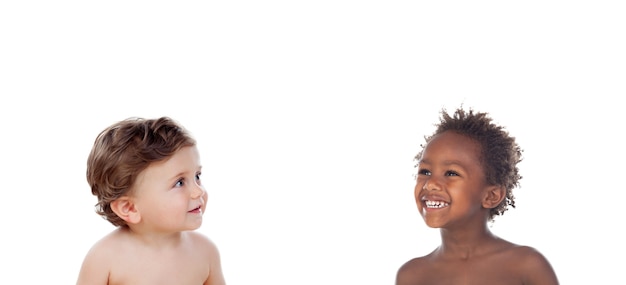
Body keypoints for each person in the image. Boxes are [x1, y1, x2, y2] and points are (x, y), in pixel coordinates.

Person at [396, 107, 558, 285]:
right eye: (425, 171)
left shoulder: (526, 266)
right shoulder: (412, 275)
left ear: (491, 196)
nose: (430, 183)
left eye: (451, 173)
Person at [76, 117, 226, 285]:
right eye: (179, 182)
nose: (199, 191)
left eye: (197, 176)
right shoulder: (104, 259)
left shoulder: (205, 252)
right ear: (129, 208)